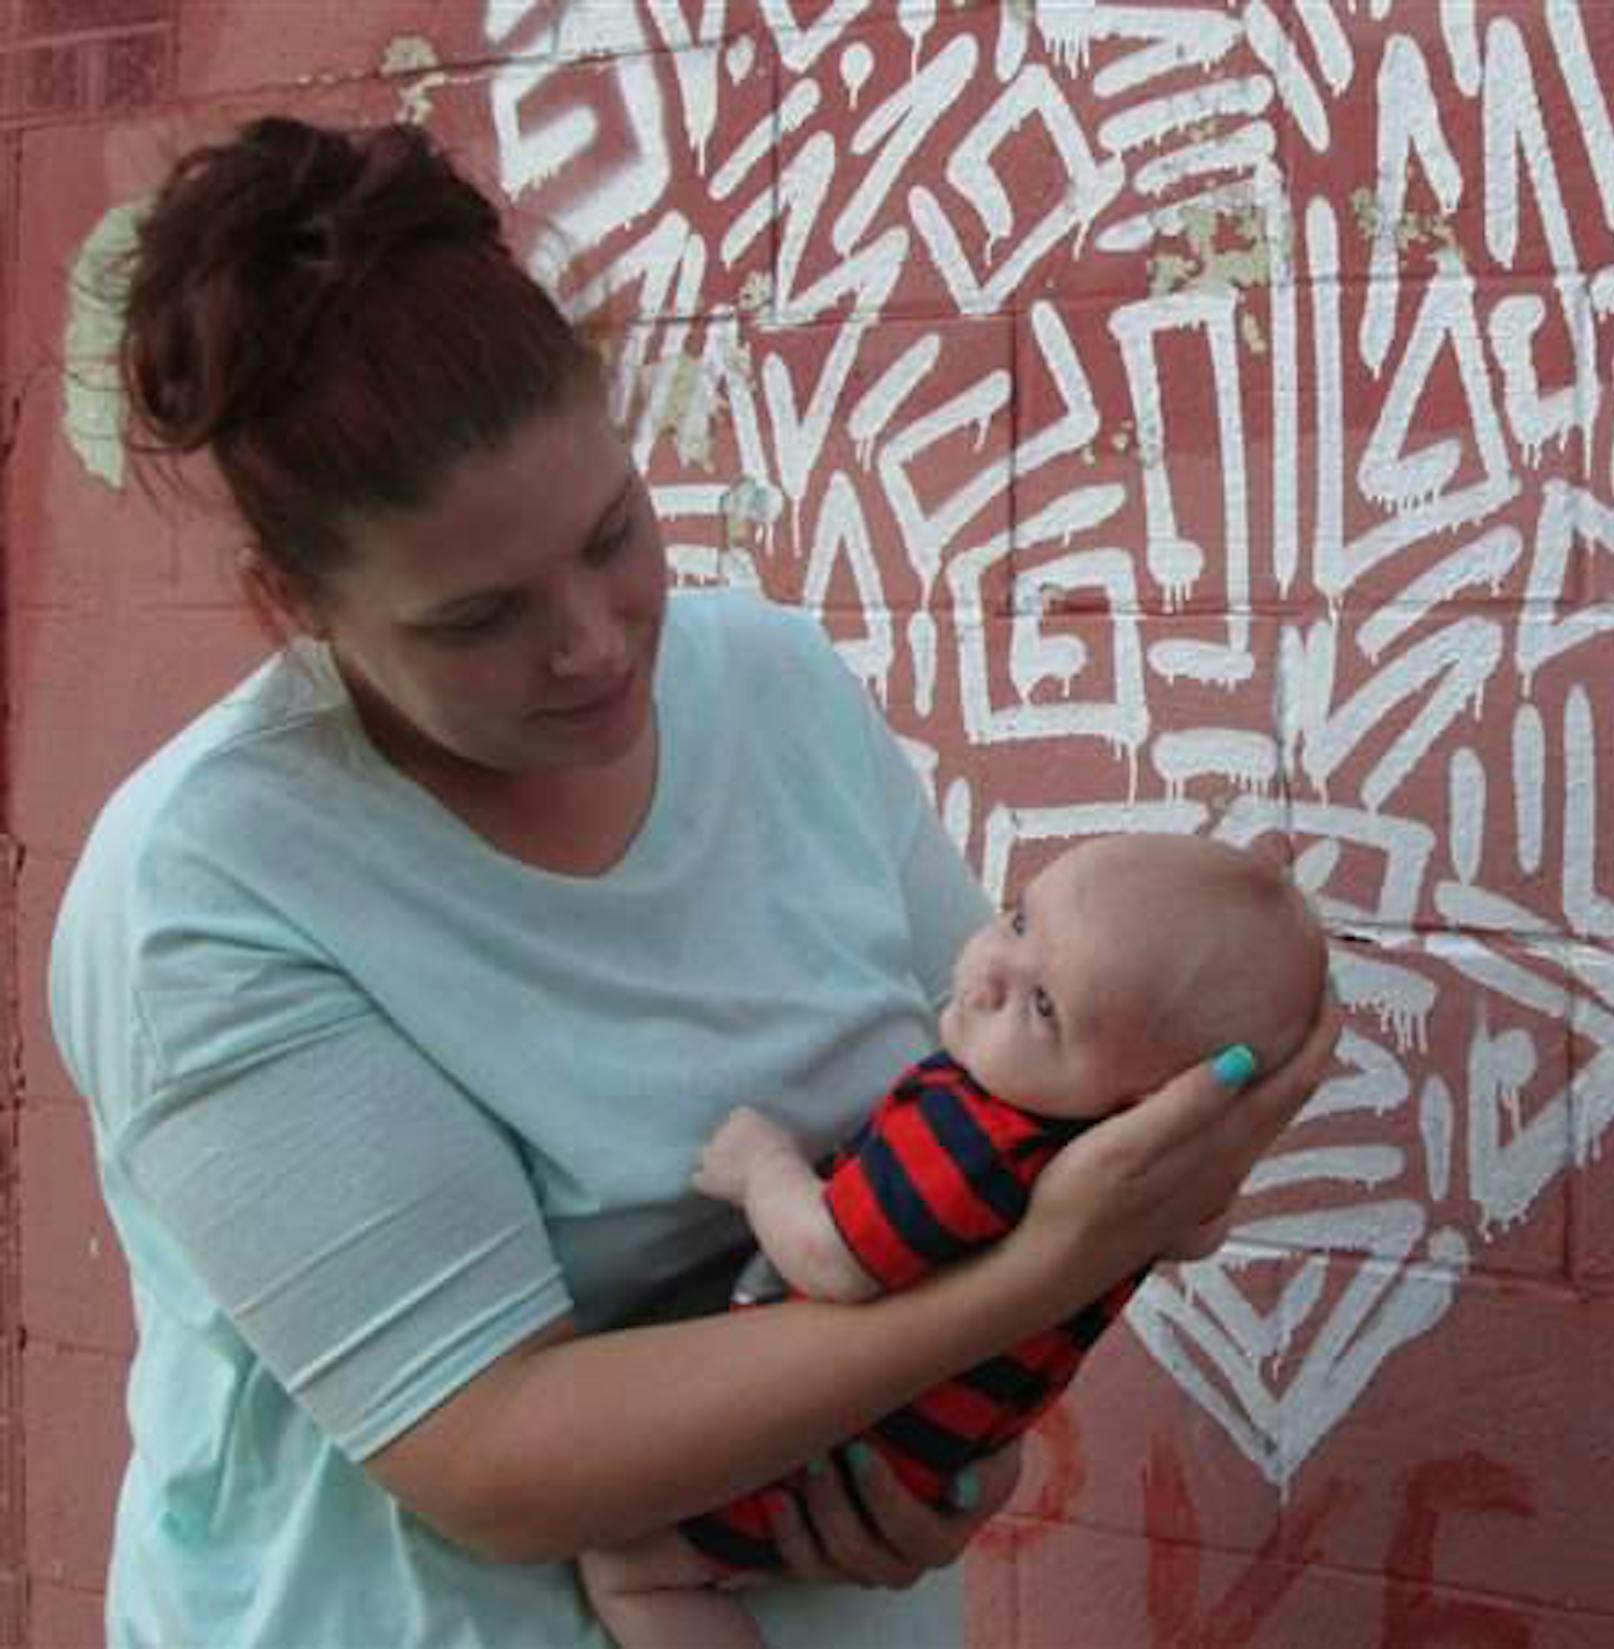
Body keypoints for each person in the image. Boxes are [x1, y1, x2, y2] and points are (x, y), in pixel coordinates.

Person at [45, 116, 1340, 1649]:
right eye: (478, 619)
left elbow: (1022, 1098)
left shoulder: (772, 684)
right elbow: (491, 1456)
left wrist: (949, 1456)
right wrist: (1044, 1275)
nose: (594, 641)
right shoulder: (209, 883)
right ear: (297, 605)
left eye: (616, 536)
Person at [580, 833, 1331, 1649]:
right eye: (1016, 921)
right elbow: (1202, 1230)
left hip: (823, 1437)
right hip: (926, 1451)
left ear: (1144, 1097)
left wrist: (761, 1165)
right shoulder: (1139, 1184)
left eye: (1044, 1007)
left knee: (627, 1564)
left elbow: (831, 1256)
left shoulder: (973, 1135)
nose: (985, 974)